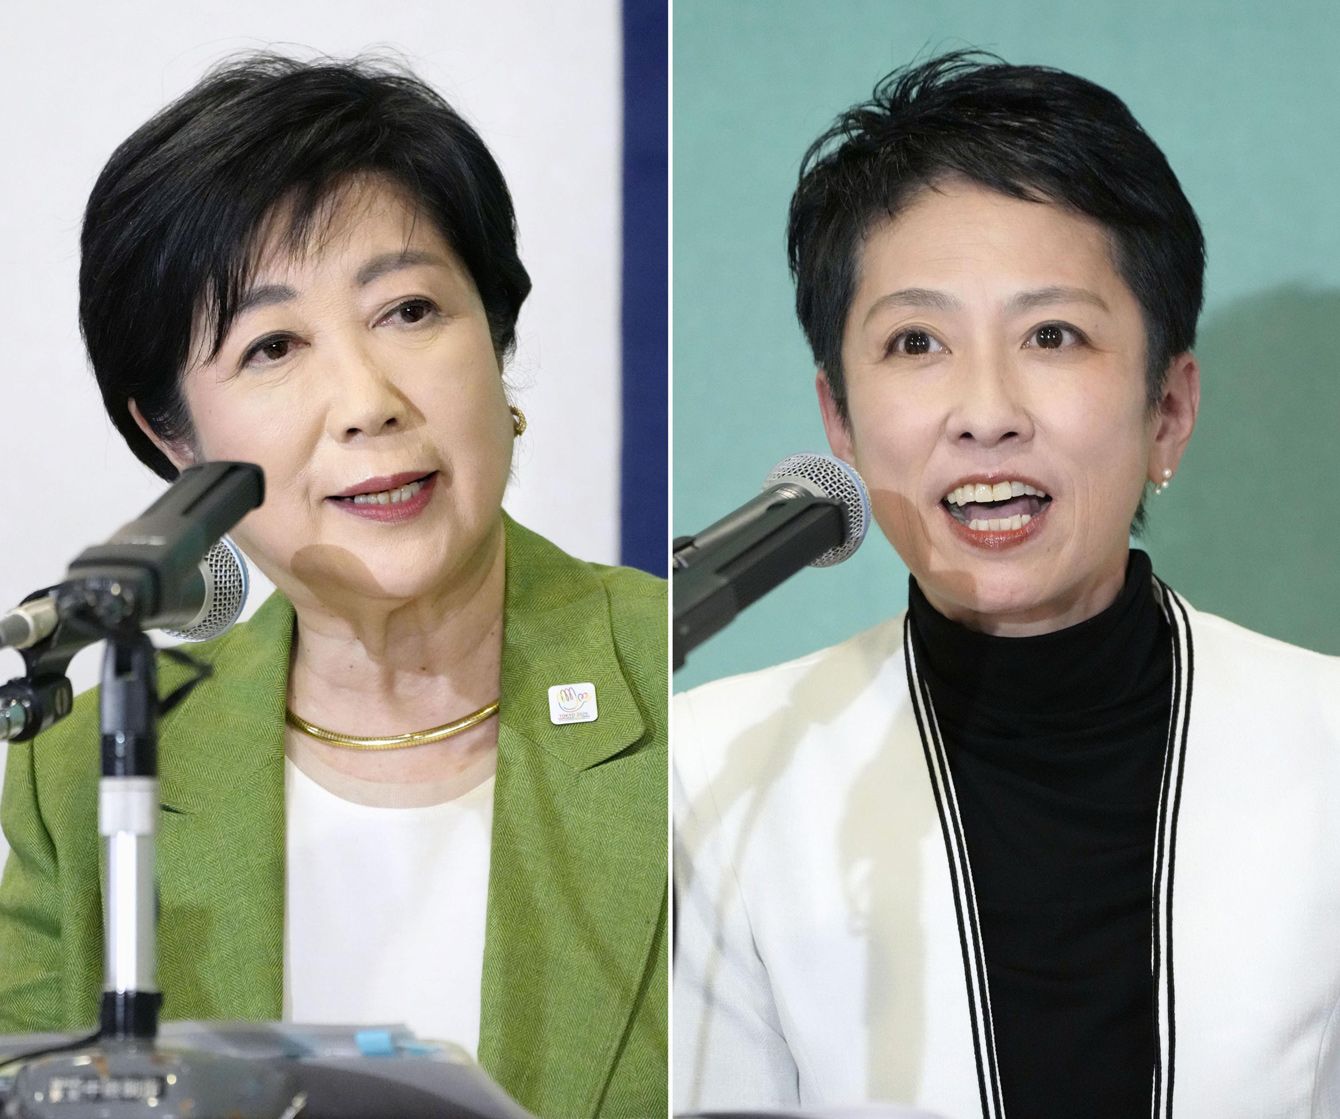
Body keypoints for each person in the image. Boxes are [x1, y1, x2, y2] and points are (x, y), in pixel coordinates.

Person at [673, 52, 1340, 1119]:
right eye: (916, 341)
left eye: (1051, 335)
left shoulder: (1324, 745)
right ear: (839, 419)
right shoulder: (718, 775)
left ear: (1167, 410)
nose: (985, 413)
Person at [0, 54, 666, 1119]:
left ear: (496, 336)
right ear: (173, 437)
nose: (366, 401)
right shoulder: (87, 774)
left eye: (408, 310)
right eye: (272, 346)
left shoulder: (689, 681)